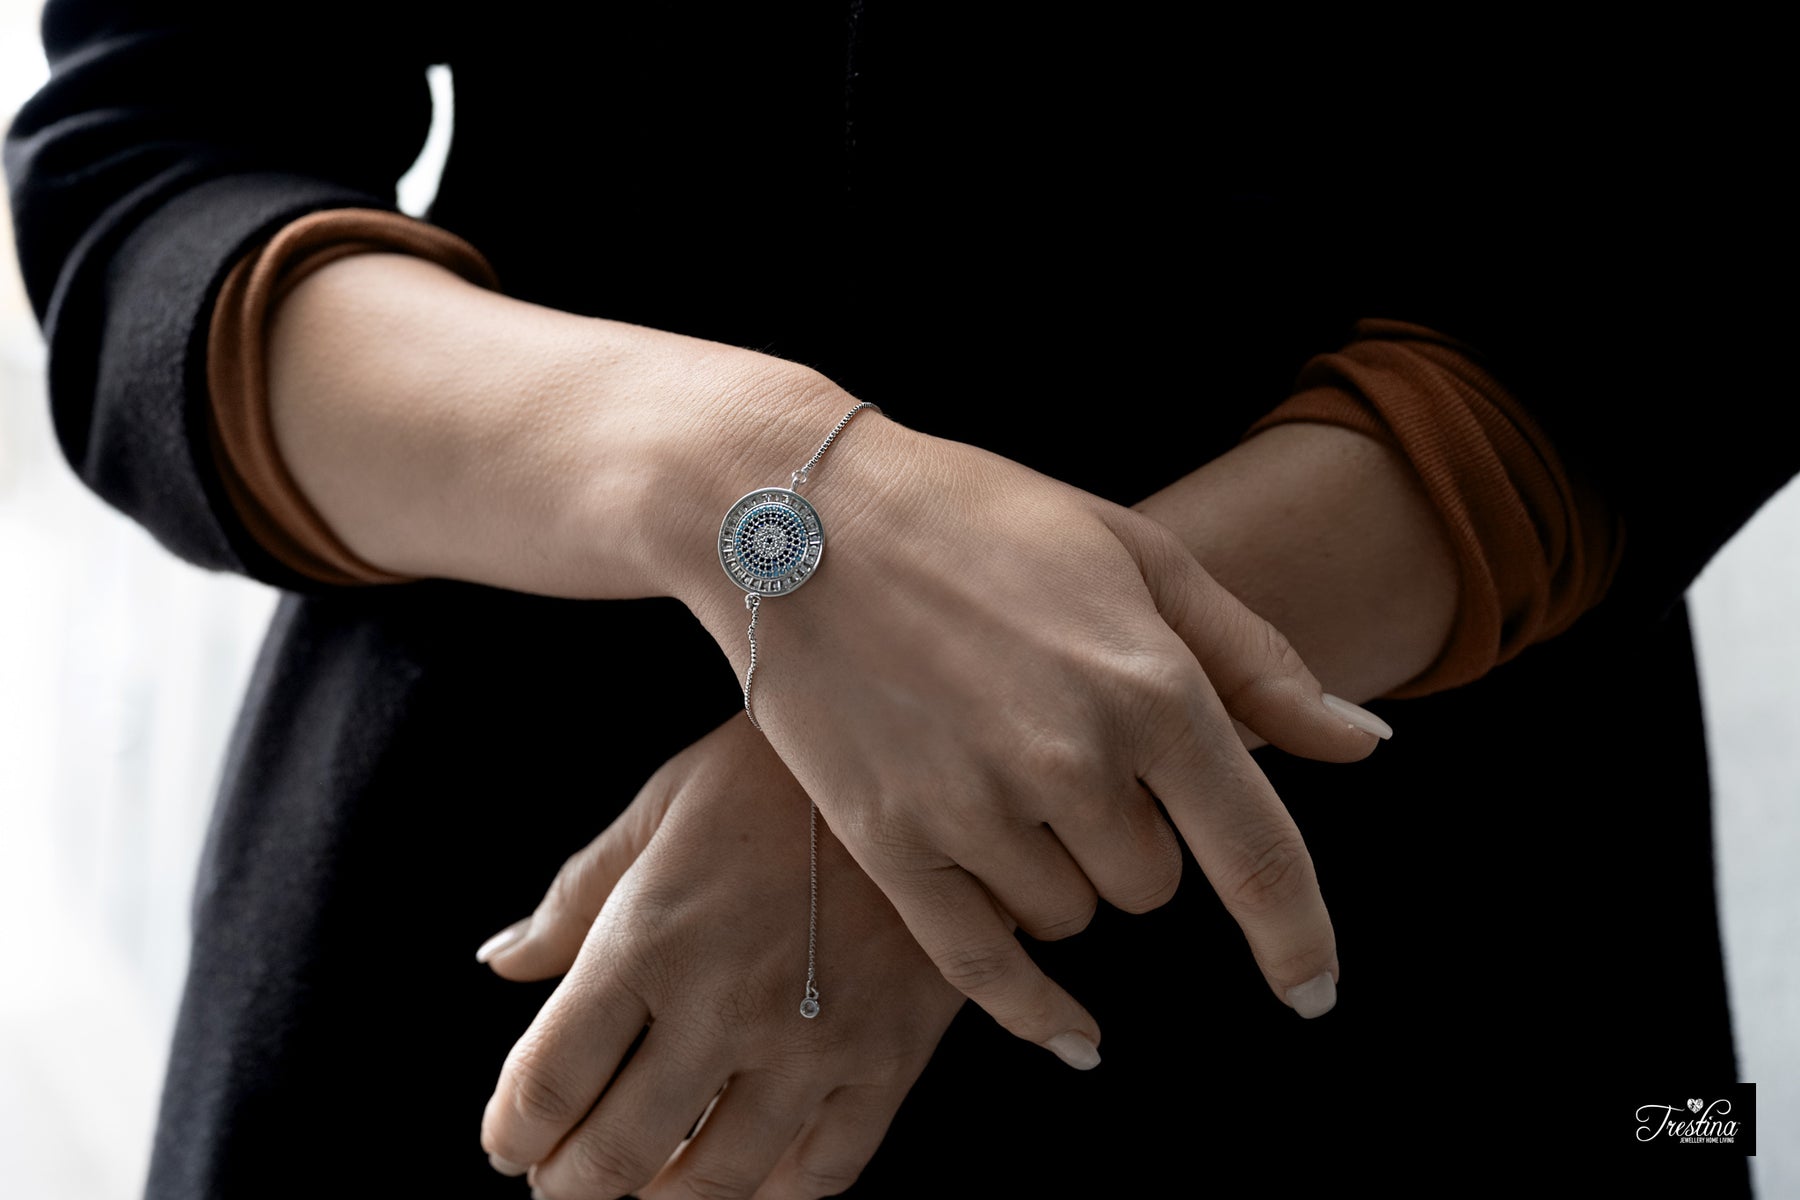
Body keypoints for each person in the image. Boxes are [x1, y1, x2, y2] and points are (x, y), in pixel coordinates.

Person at [7, 4, 1788, 1196]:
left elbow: (1705, 238)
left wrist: (970, 759)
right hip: (536, 964)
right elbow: (149, 183)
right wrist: (758, 489)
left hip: (1426, 935)